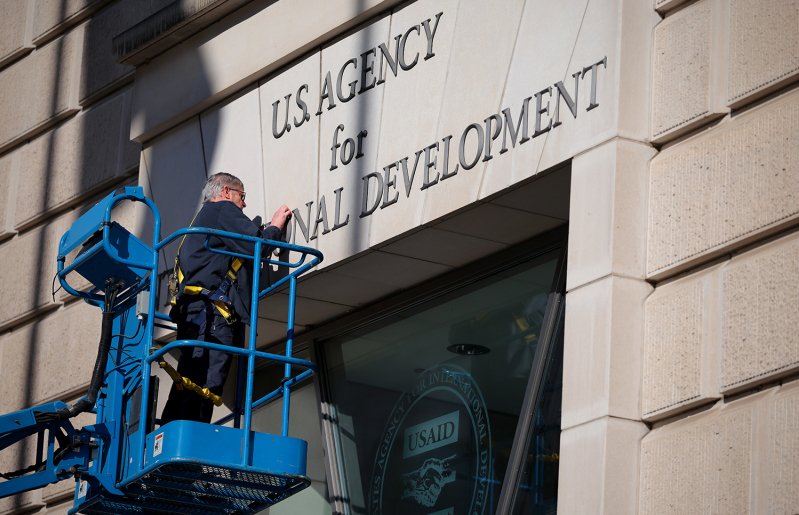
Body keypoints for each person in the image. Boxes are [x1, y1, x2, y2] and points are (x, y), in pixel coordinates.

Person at [160, 172, 292, 425]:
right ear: (226, 193)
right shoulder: (221, 210)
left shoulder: (198, 225)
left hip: (194, 316)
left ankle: (168, 442)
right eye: (242, 196)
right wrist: (275, 226)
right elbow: (258, 246)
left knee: (185, 383)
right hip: (212, 318)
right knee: (206, 385)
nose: (244, 204)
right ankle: (191, 446)